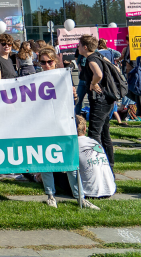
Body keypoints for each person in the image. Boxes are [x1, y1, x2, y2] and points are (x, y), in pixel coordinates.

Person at [33, 47, 99, 209]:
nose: (47, 65)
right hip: (45, 125)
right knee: (46, 162)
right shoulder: (36, 78)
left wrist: (74, 96)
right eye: (43, 62)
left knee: (70, 161)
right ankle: (50, 195)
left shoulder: (63, 77)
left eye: (50, 61)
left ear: (55, 61)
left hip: (63, 124)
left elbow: (72, 103)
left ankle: (80, 197)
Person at [76, 34, 115, 168]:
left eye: (79, 45)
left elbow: (98, 74)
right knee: (105, 133)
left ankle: (97, 163)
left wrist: (94, 83)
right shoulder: (99, 56)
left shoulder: (91, 59)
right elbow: (113, 68)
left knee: (94, 133)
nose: (78, 47)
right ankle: (109, 163)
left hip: (100, 101)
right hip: (107, 99)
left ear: (85, 47)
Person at [76, 115, 116, 199]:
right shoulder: (94, 142)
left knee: (58, 175)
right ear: (85, 129)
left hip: (89, 192)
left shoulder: (73, 144)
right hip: (109, 189)